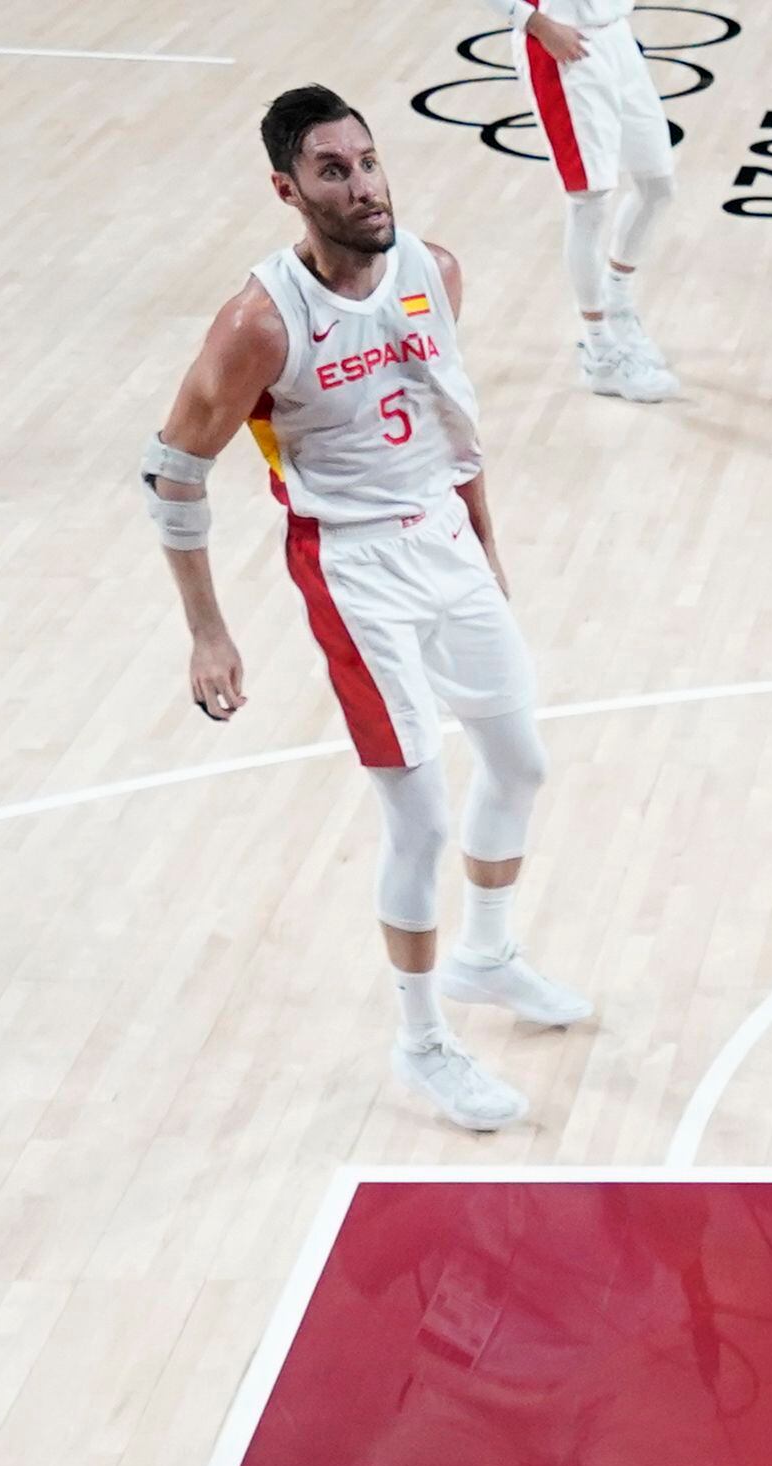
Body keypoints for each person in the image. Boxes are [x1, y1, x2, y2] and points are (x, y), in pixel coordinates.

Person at [142, 86, 589, 1135]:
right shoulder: (260, 323)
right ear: (288, 191)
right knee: (420, 816)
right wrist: (208, 628)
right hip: (353, 569)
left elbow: (452, 421)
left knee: (522, 761)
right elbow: (171, 471)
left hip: (443, 539)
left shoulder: (436, 271)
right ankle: (423, 1041)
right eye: (334, 171)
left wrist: (484, 543)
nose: (364, 185)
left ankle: (486, 954)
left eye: (370, 161)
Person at [505, 2, 683, 402]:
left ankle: (617, 304)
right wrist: (535, 23)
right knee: (590, 200)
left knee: (658, 185)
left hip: (617, 35)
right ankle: (599, 347)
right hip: (562, 43)